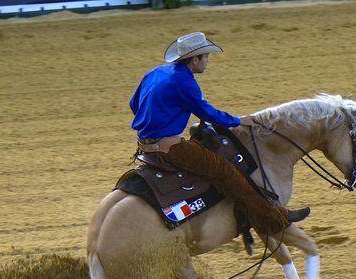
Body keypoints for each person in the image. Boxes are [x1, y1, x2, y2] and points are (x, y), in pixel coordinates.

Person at [129, 32, 308, 235]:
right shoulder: (184, 82)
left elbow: (133, 103)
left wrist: (157, 118)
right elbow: (207, 113)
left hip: (144, 145)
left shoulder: (155, 72)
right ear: (194, 59)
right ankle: (273, 219)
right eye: (205, 57)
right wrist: (238, 120)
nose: (207, 61)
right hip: (170, 148)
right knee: (224, 170)